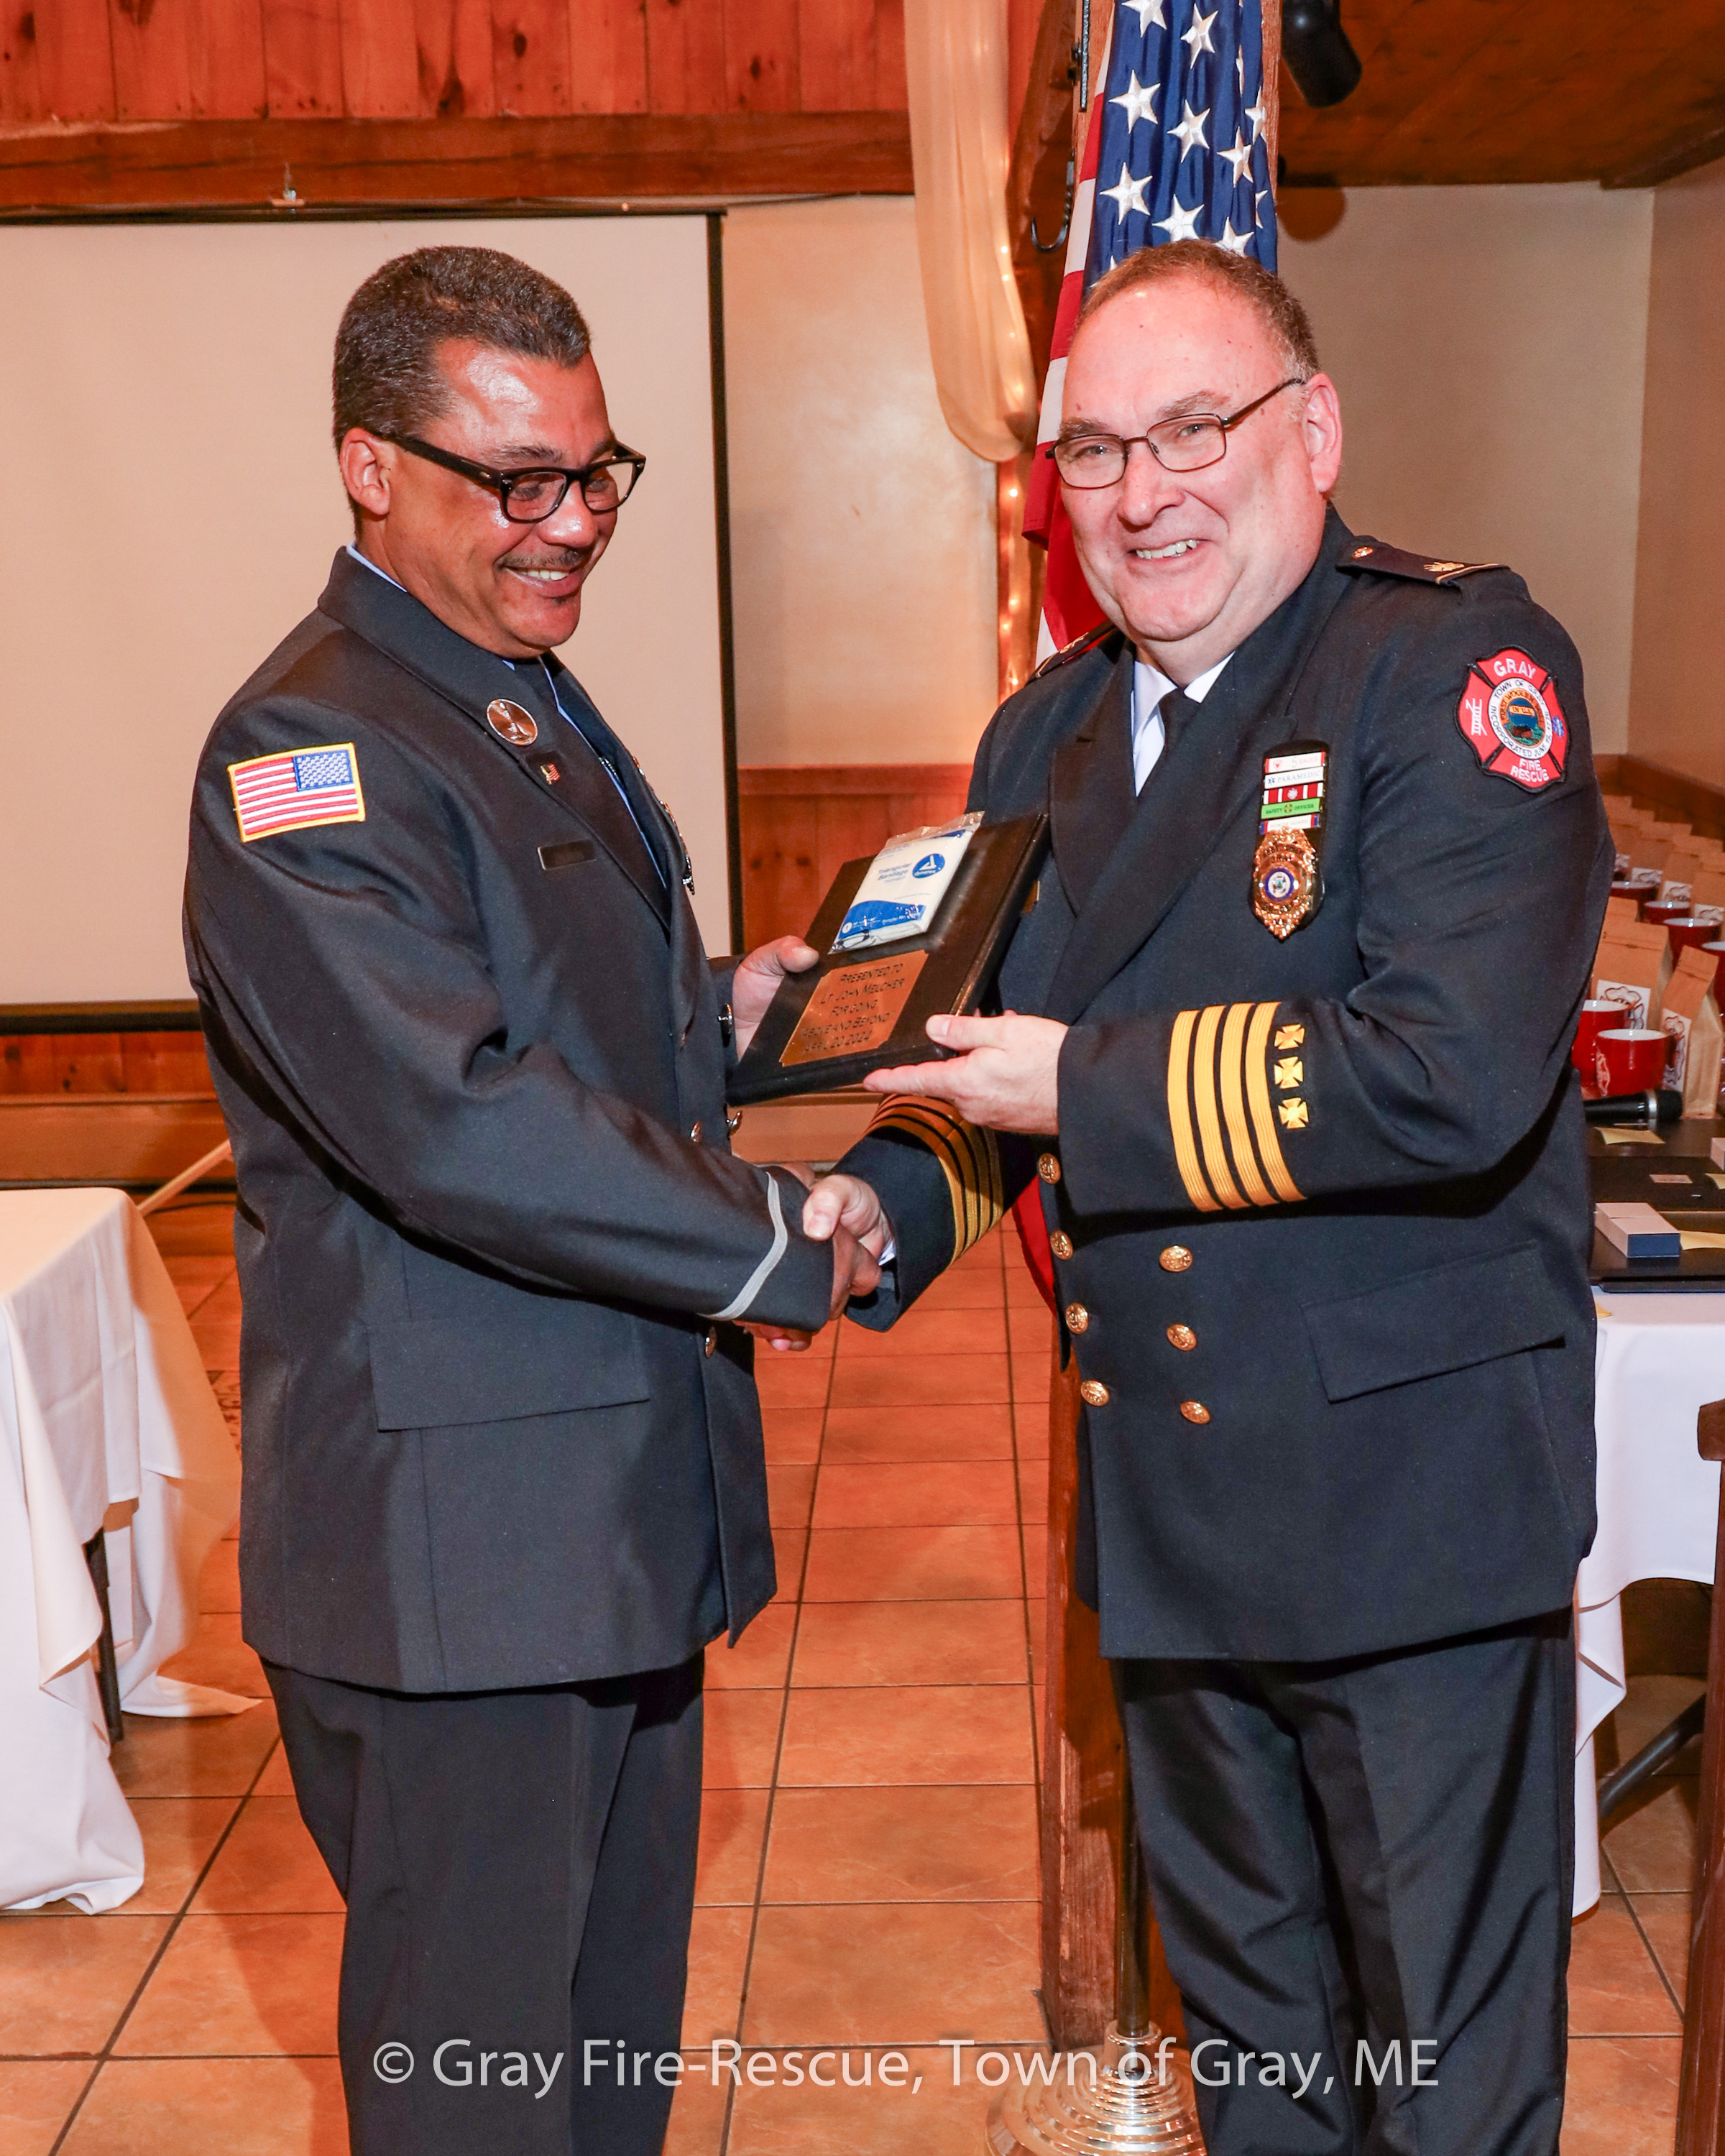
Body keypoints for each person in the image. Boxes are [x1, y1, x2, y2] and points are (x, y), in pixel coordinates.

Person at [800, 240, 1612, 2155]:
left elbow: (1447, 1075)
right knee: (1257, 2062)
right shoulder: (1044, 735)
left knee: (1444, 2074)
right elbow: (983, 1078)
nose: (1142, 492)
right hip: (1171, 1505)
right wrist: (870, 1213)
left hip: (1412, 1525)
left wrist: (1075, 1086)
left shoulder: (1450, 672)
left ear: (1311, 432)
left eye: (1193, 430)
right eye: (1095, 449)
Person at [183, 245, 875, 2156]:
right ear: (370, 468)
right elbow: (451, 1113)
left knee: (601, 2064)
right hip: (461, 1574)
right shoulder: (306, 751)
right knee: (480, 2094)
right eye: (517, 480)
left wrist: (727, 1018)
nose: (570, 522)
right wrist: (771, 1240)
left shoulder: (503, 691)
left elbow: (539, 1012)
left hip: (600, 1533)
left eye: (593, 472)